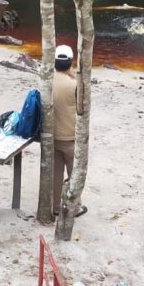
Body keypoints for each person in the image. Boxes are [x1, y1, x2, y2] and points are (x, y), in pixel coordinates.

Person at [51, 45, 87, 218]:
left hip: (52, 135)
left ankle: (55, 206)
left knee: (56, 172)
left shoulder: (47, 80)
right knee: (75, 174)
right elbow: (84, 109)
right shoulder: (75, 85)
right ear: (71, 62)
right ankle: (74, 206)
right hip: (71, 136)